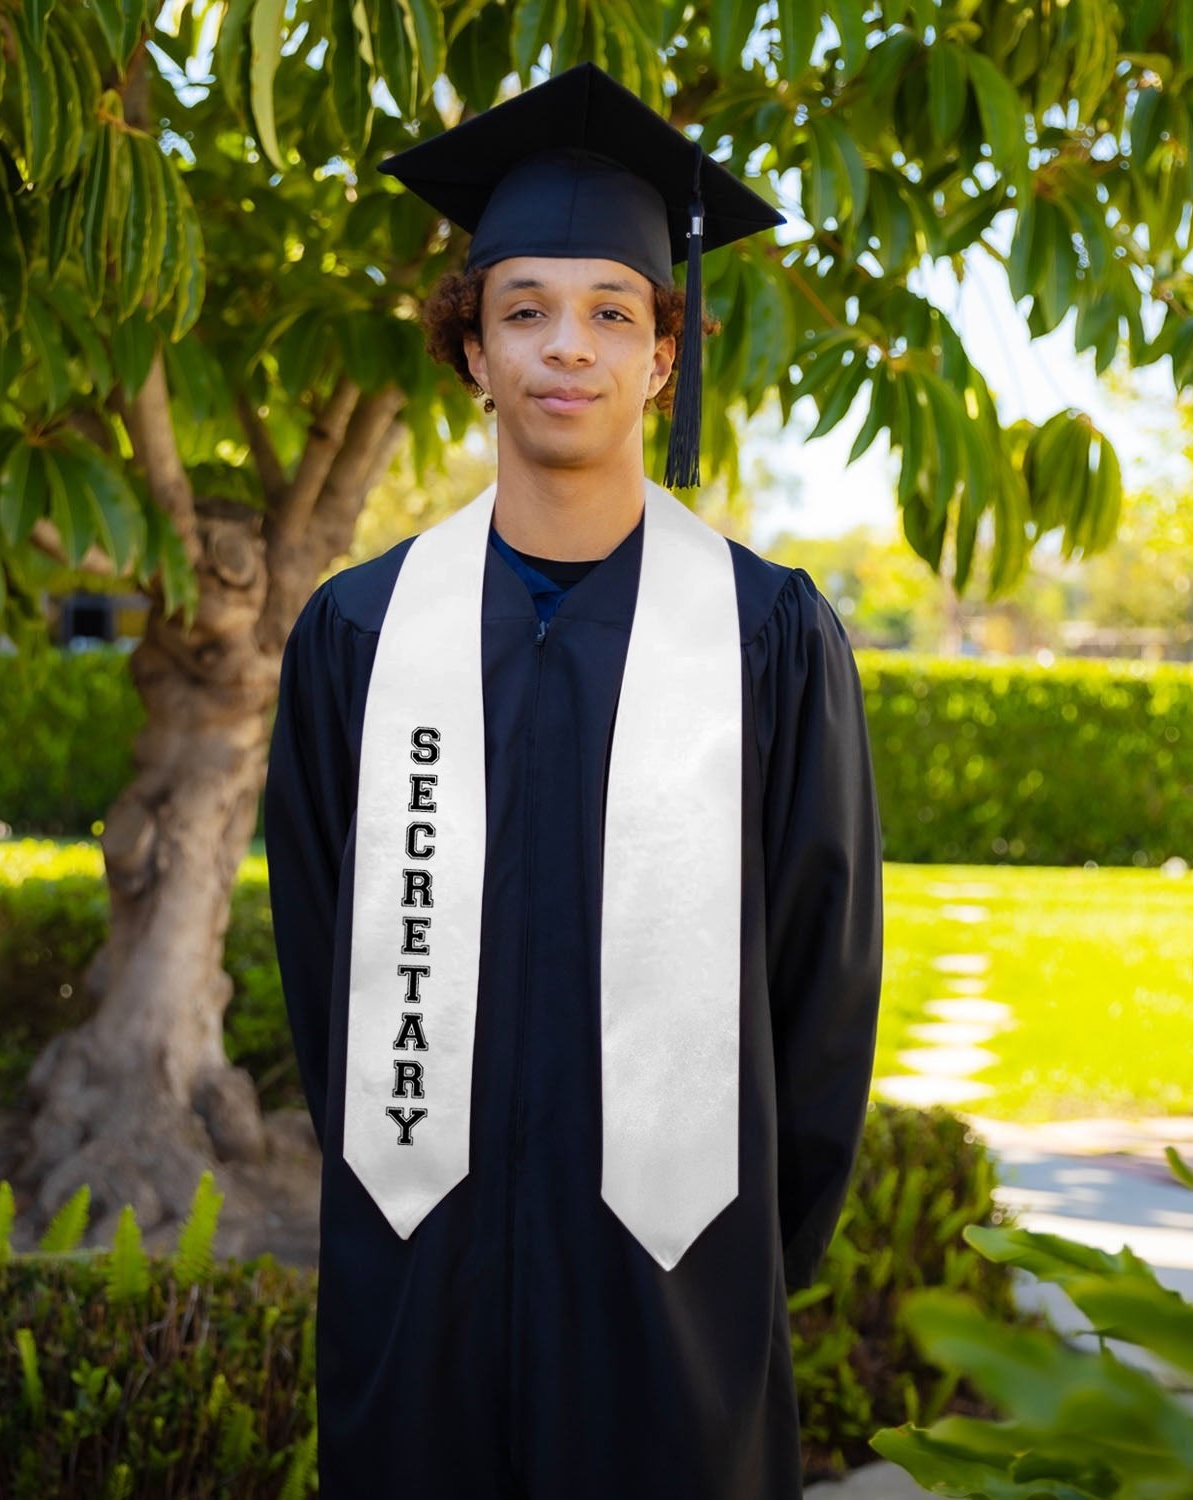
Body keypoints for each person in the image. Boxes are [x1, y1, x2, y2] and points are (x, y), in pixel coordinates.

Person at [264, 61, 883, 1500]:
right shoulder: (359, 633)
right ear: (472, 351)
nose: (568, 348)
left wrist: (742, 1260)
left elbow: (821, 966)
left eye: (613, 312)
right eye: (524, 309)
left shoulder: (766, 631)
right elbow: (321, 960)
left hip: (675, 1281)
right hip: (425, 1273)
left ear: (664, 355)